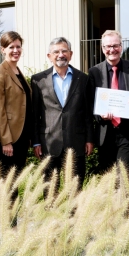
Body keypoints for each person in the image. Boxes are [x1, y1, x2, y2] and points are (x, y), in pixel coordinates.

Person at [31, 37, 94, 191]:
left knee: (75, 190)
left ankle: (74, 216)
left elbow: (87, 112)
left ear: (71, 54)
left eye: (64, 51)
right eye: (56, 51)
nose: (61, 54)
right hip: (49, 144)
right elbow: (34, 115)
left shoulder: (83, 79)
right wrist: (36, 142)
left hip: (76, 143)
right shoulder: (38, 80)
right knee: (50, 190)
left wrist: (90, 139)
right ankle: (51, 215)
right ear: (49, 56)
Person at [88, 30, 129, 177]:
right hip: (105, 133)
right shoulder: (94, 72)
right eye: (108, 46)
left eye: (115, 45)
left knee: (125, 180)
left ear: (121, 47)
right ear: (103, 49)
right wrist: (100, 116)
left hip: (128, 133)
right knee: (107, 181)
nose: (112, 49)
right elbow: (90, 104)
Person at [0, 31, 32, 178]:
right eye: (11, 47)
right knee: (8, 183)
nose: (15, 51)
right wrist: (5, 141)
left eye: (18, 47)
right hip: (9, 139)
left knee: (17, 179)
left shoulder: (18, 72)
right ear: (3, 49)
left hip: (22, 136)